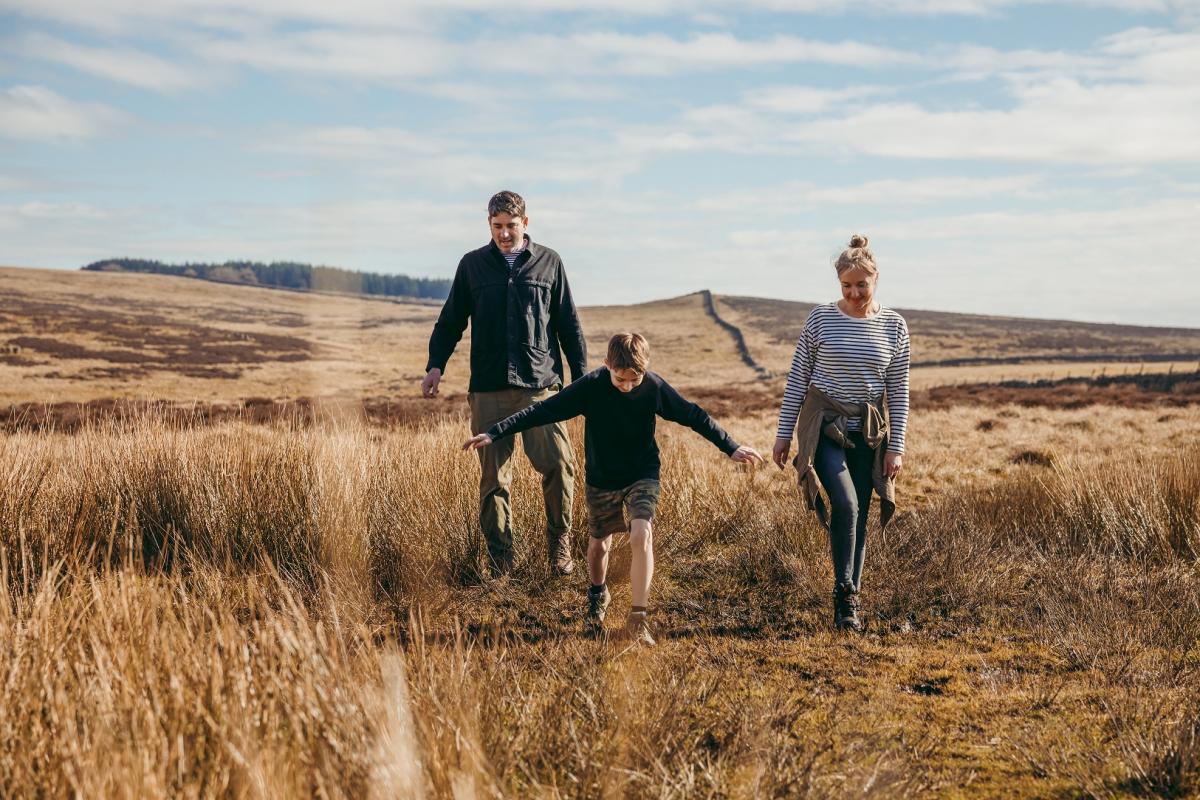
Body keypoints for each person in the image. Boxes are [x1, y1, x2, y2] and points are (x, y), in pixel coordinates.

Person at [463, 333, 763, 644]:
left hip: (642, 474)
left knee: (641, 533)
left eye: (635, 379)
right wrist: (495, 432)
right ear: (608, 365)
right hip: (602, 478)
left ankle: (638, 617)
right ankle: (597, 594)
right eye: (621, 379)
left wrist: (730, 447)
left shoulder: (653, 387)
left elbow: (693, 415)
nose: (628, 386)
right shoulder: (591, 387)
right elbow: (542, 411)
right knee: (599, 546)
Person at [423, 190, 587, 577]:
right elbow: (450, 321)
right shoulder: (473, 265)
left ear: (525, 223)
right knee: (494, 479)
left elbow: (568, 324)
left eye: (511, 226)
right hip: (489, 389)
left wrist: (583, 381)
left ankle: (559, 547)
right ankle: (500, 561)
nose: (504, 234)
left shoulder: (549, 263)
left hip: (539, 389)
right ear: (489, 225)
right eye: (497, 227)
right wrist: (435, 366)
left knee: (560, 465)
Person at [771, 234, 911, 632]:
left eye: (861, 285)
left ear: (876, 280)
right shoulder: (820, 318)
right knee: (846, 505)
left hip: (868, 432)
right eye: (846, 286)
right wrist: (784, 435)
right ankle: (843, 592)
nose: (853, 293)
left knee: (862, 514)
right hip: (824, 427)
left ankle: (851, 602)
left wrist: (895, 447)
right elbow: (798, 378)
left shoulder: (895, 326)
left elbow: (898, 393)